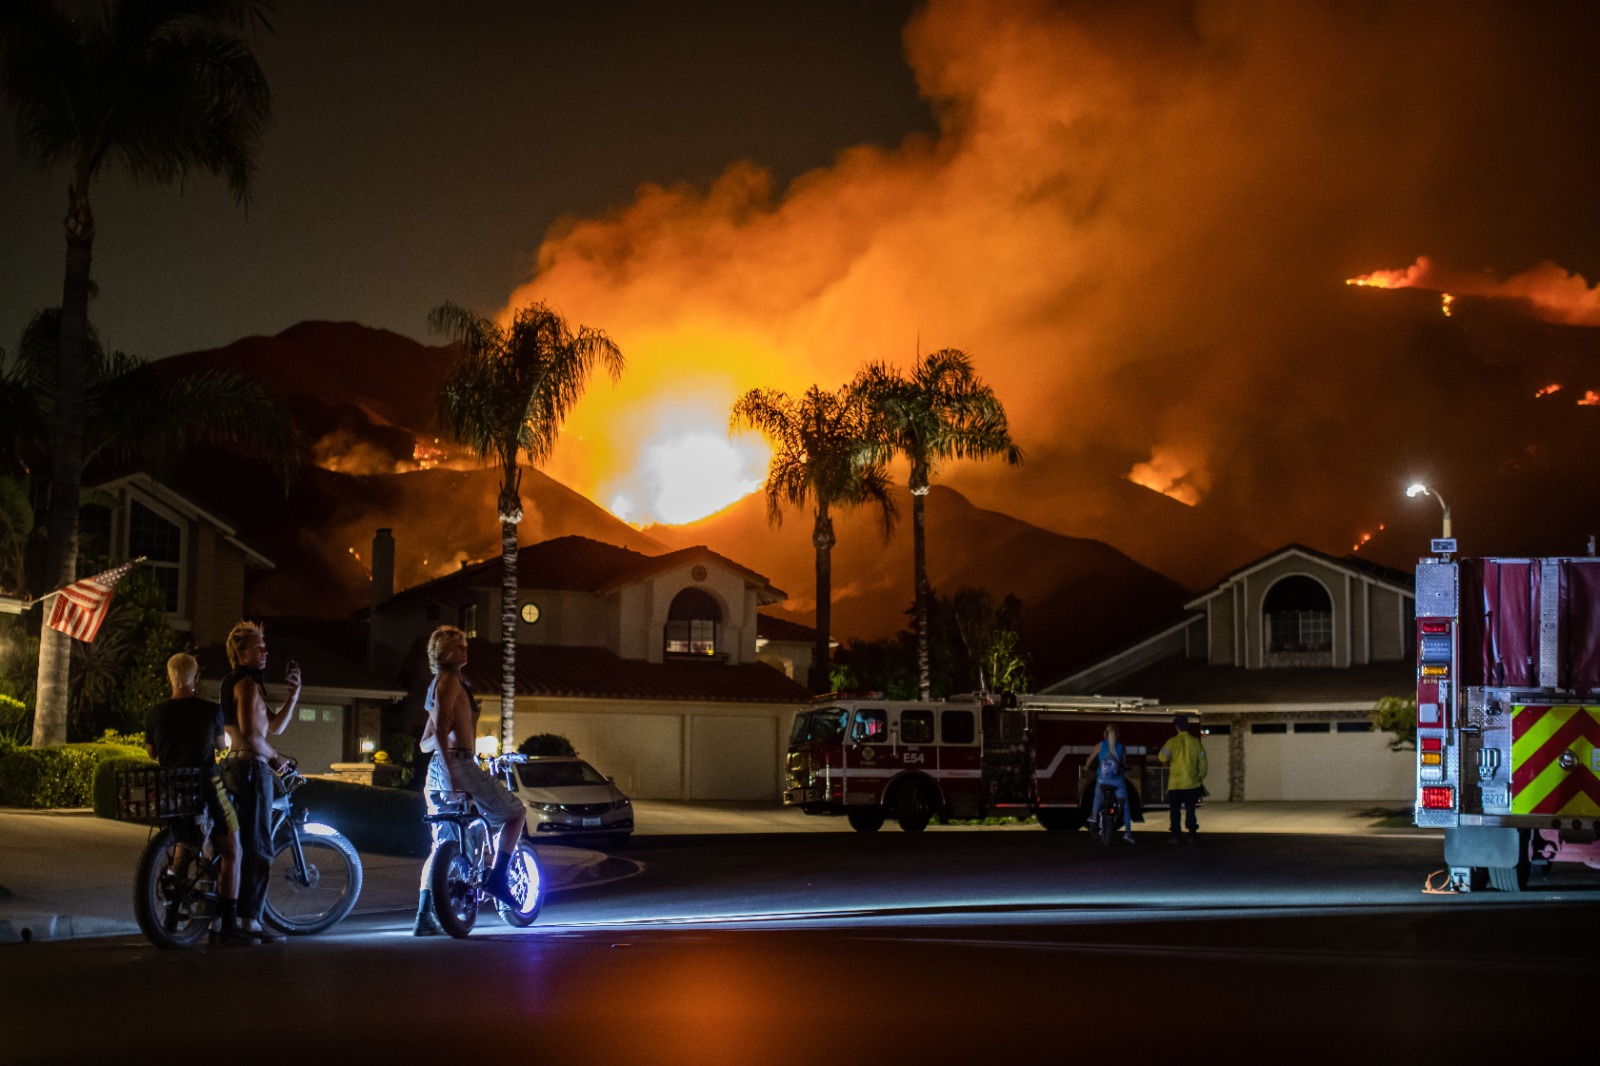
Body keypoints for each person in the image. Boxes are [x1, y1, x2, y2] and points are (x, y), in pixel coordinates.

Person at [145, 652, 252, 945]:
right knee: (232, 849)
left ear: (171, 677)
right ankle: (228, 927)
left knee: (183, 842)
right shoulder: (210, 710)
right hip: (209, 783)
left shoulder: (156, 713)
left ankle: (170, 915)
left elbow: (152, 753)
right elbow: (220, 745)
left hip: (171, 788)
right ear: (194, 678)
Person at [419, 625, 525, 910]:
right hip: (459, 764)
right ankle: (498, 879)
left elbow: (425, 742)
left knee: (443, 845)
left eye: (465, 645)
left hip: (437, 768)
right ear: (445, 653)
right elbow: (439, 730)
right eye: (459, 646)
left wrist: (447, 740)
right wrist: (453, 772)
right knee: (516, 813)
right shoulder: (451, 680)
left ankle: (426, 915)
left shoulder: (437, 685)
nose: (466, 650)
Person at [219, 620, 301, 942]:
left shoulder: (236, 683)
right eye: (258, 648)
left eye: (265, 647)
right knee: (260, 847)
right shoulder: (248, 685)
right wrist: (277, 760)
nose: (265, 652)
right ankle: (250, 920)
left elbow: (275, 726)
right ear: (241, 654)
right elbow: (254, 737)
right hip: (252, 770)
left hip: (231, 768)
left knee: (232, 845)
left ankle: (221, 916)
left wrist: (293, 695)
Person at [1159, 713, 1208, 845]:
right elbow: (1203, 763)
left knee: (1175, 812)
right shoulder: (1196, 742)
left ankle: (1175, 836)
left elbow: (1162, 757)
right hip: (1192, 784)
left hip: (1175, 784)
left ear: (1177, 727)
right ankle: (1192, 835)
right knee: (1190, 810)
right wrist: (1199, 777)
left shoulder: (1172, 742)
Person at [1083, 723, 1135, 844]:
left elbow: (1089, 759)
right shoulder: (1122, 746)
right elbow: (1123, 763)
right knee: (1125, 803)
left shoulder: (1100, 745)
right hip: (1118, 781)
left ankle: (1094, 815)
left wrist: (1086, 767)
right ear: (1118, 734)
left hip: (1102, 779)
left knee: (1097, 793)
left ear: (1104, 734)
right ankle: (1127, 831)